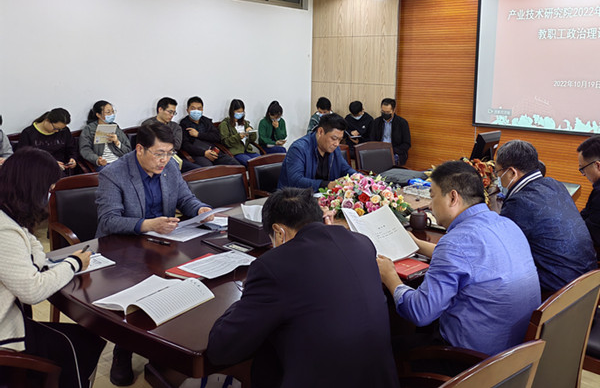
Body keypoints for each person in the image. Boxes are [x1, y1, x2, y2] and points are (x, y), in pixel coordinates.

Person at [208, 187, 400, 388]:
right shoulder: (362, 243)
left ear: (279, 232)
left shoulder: (273, 267)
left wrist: (248, 295)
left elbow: (221, 349)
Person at [376, 161, 540, 356]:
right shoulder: (506, 224)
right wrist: (416, 244)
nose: (430, 205)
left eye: (432, 196)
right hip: (515, 353)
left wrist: (390, 276)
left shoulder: (455, 244)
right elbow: (470, 260)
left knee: (381, 349)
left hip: (470, 360)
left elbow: (420, 312)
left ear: (453, 197)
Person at [95, 122, 212, 385]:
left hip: (161, 243)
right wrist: (147, 225)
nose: (165, 160)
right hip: (122, 249)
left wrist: (200, 209)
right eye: (159, 153)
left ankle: (164, 344)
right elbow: (108, 220)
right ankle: (123, 349)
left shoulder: (170, 167)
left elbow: (185, 199)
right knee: (136, 293)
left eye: (169, 153)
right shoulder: (113, 174)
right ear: (140, 149)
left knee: (184, 283)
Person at [0, 147, 105, 388]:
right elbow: (32, 291)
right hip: (4, 330)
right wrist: (74, 263)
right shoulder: (4, 229)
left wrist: (36, 261)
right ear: (32, 187)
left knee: (84, 340)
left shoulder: (9, 214)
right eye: (48, 189)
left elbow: (32, 243)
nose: (49, 195)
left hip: (11, 314)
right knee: (81, 345)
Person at [496, 139, 596, 297]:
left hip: (559, 290)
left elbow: (501, 249)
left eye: (498, 172)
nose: (498, 178)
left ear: (512, 173)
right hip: (587, 279)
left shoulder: (519, 202)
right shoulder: (554, 184)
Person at [278, 113, 355, 191]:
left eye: (340, 140)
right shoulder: (298, 149)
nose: (337, 144)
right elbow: (296, 181)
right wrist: (327, 185)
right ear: (320, 132)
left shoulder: (334, 149)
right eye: (334, 138)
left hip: (322, 195)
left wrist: (358, 178)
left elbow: (346, 169)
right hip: (294, 196)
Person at [179, 96, 240, 167]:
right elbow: (186, 145)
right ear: (187, 110)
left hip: (213, 150)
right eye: (193, 108)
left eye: (199, 108)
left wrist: (198, 134)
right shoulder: (184, 124)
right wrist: (204, 153)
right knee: (209, 169)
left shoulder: (206, 121)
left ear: (202, 110)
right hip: (198, 154)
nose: (196, 111)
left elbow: (217, 137)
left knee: (235, 165)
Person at [141, 96, 197, 172]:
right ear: (160, 109)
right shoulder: (148, 124)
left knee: (197, 170)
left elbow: (177, 145)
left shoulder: (176, 127)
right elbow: (150, 144)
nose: (172, 115)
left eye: (174, 113)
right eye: (170, 112)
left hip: (173, 156)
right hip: (154, 158)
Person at [18, 108, 77, 174]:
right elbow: (24, 158)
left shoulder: (64, 131)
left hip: (61, 169)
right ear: (47, 120)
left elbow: (71, 148)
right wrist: (50, 163)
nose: (57, 131)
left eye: (60, 129)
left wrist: (73, 158)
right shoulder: (28, 133)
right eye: (55, 128)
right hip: (38, 170)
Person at [79, 100, 132, 171]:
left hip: (120, 161)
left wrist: (117, 142)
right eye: (108, 112)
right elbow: (85, 149)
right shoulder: (89, 129)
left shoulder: (115, 127)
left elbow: (128, 150)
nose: (111, 114)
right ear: (98, 115)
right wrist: (97, 160)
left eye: (112, 111)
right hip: (104, 164)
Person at [369, 98, 411, 165]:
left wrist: (392, 150)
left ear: (394, 110)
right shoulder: (376, 122)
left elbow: (407, 144)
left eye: (388, 112)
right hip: (379, 150)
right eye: (383, 111)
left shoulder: (402, 123)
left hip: (395, 152)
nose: (385, 114)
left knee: (388, 162)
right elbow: (372, 139)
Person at [218, 99, 259, 167]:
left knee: (263, 161)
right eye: (238, 112)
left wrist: (251, 132)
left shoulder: (245, 123)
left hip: (248, 150)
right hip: (236, 152)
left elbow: (252, 140)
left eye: (242, 112)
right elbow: (225, 142)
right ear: (232, 111)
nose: (240, 114)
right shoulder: (225, 124)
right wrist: (238, 137)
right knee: (252, 164)